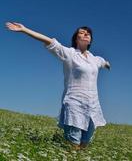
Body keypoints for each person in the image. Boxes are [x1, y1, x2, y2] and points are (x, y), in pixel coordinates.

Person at [5, 22, 110, 150]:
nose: (86, 34)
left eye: (88, 33)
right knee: (74, 144)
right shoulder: (69, 54)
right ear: (76, 38)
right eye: (81, 32)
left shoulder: (95, 59)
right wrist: (24, 29)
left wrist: (107, 64)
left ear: (90, 40)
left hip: (93, 106)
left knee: (85, 144)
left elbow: (104, 62)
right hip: (74, 103)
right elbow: (48, 41)